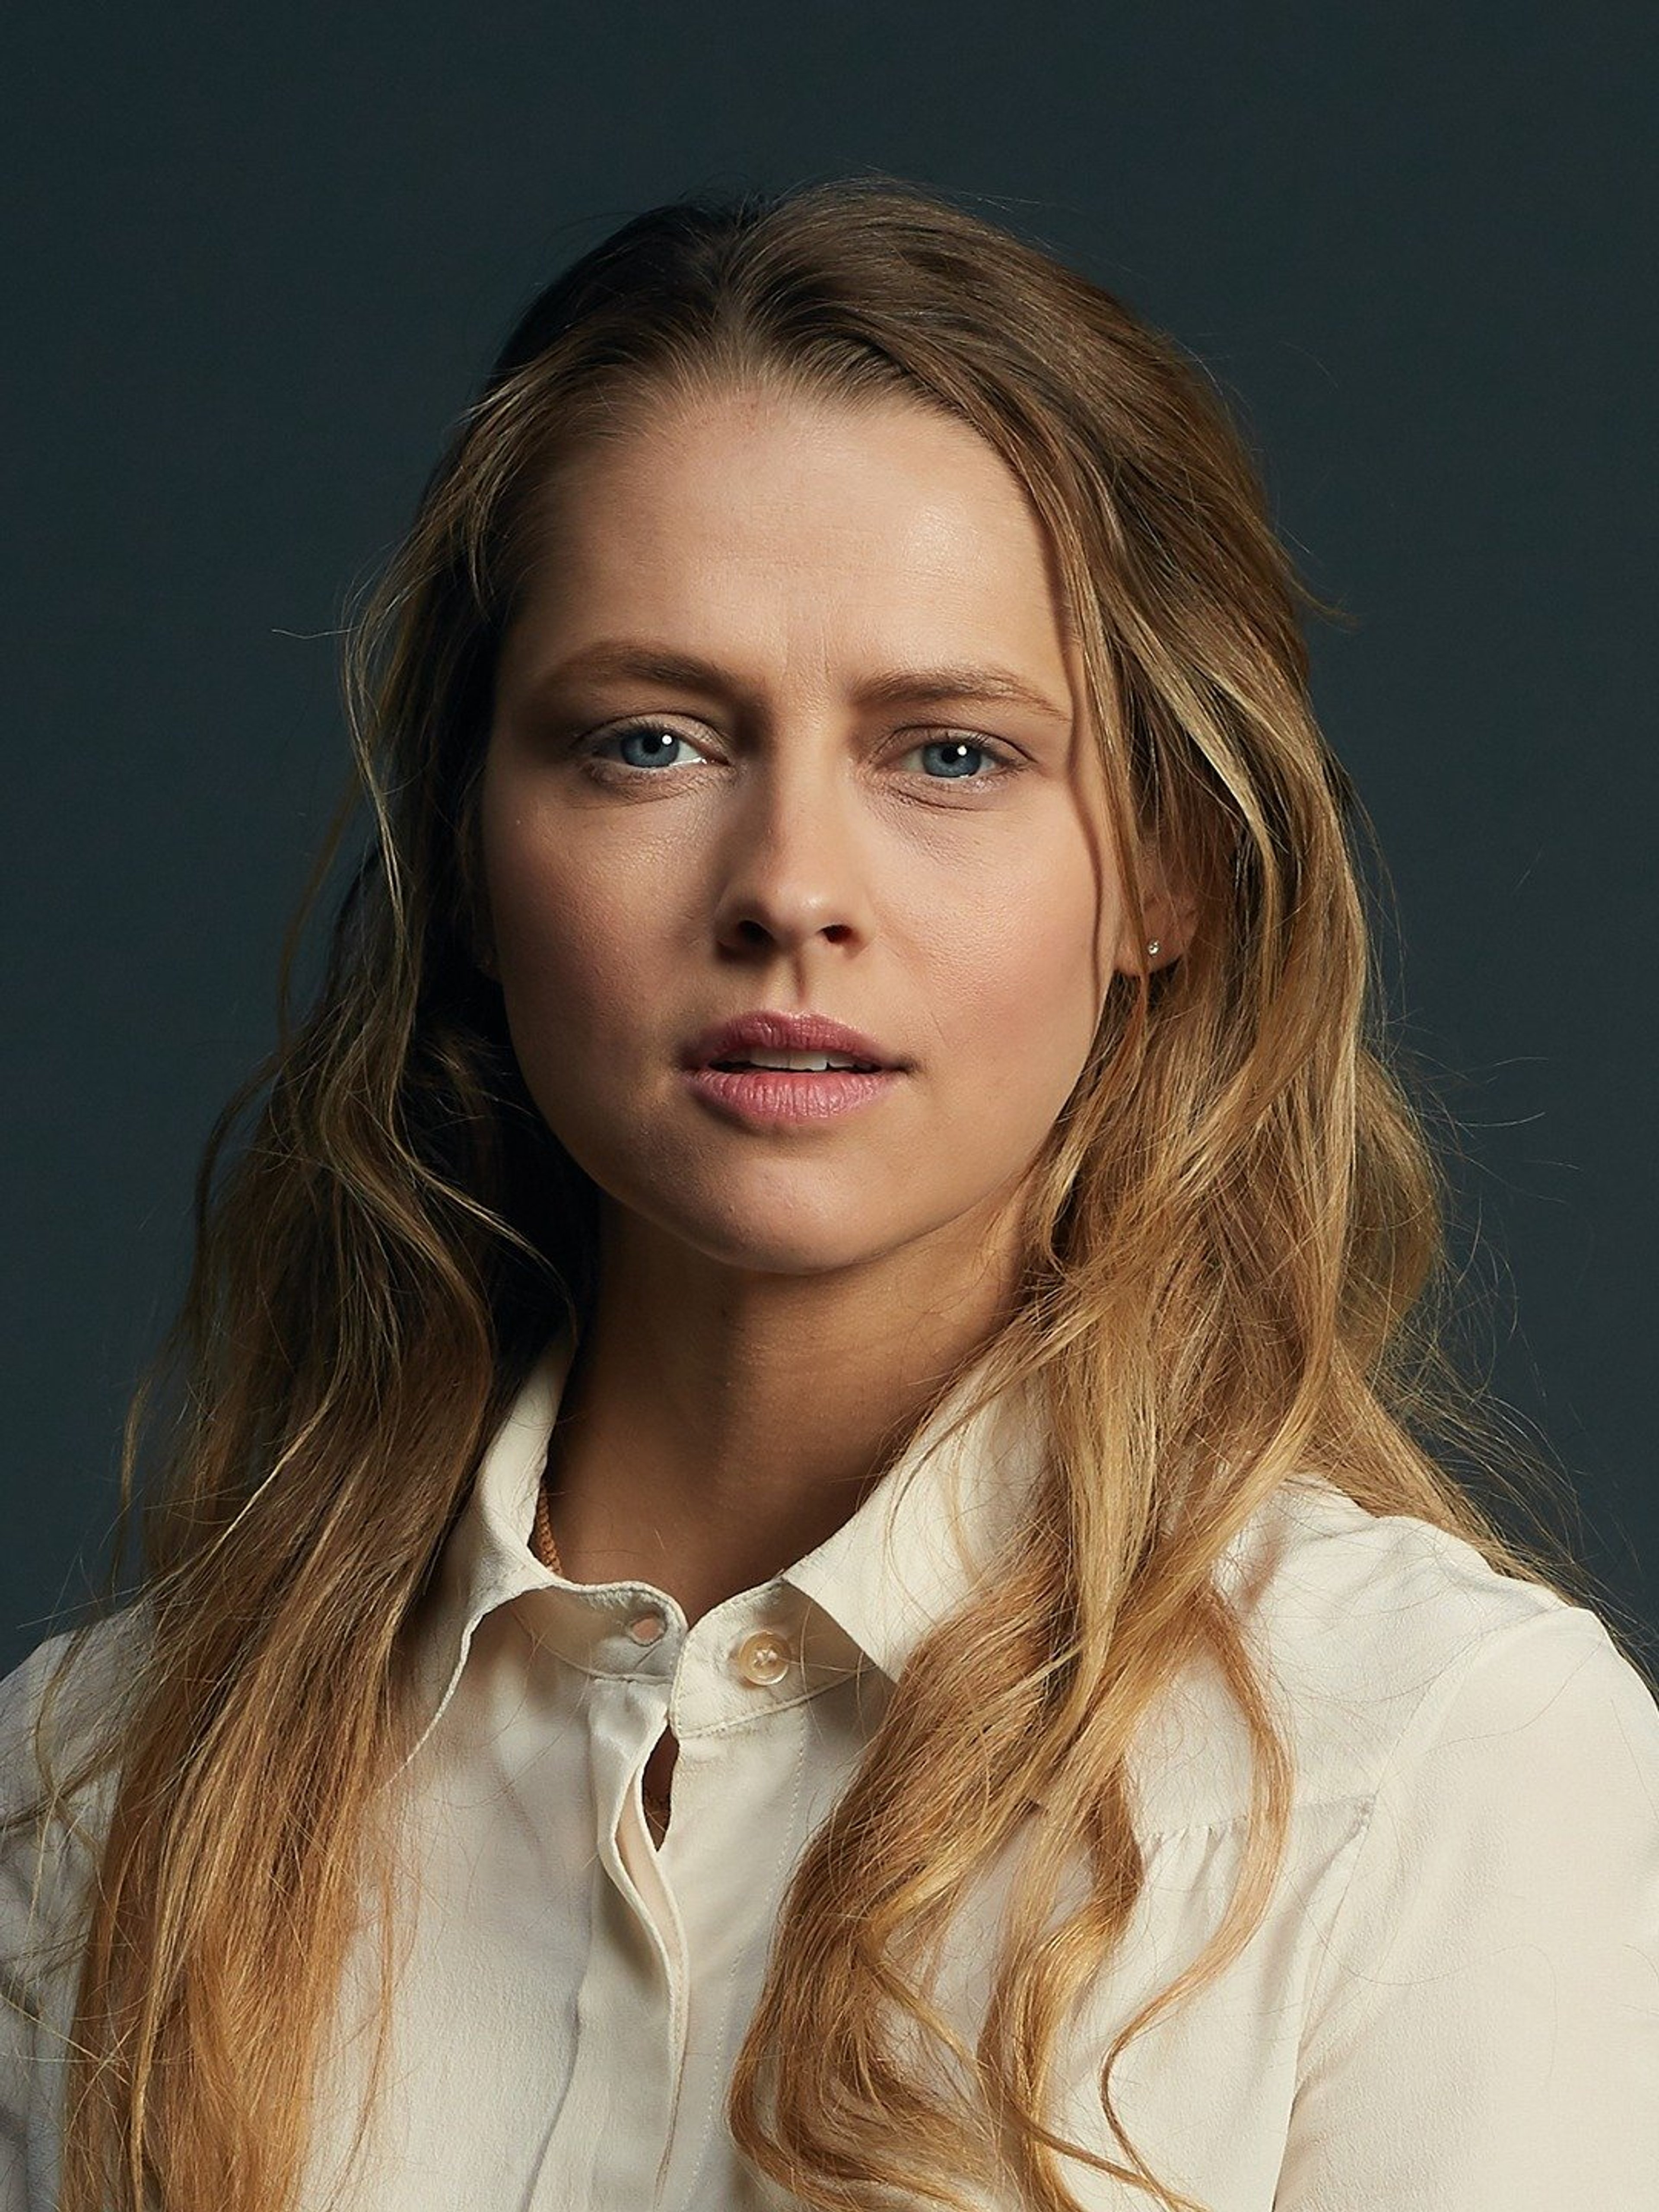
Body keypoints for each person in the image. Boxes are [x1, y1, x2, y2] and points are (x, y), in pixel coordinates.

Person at [2, 175, 1656, 2212]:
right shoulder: (87, 1796)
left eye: (950, 753)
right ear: (472, 856)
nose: (791, 886)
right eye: (649, 739)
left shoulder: (1434, 1772)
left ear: (1166, 870)